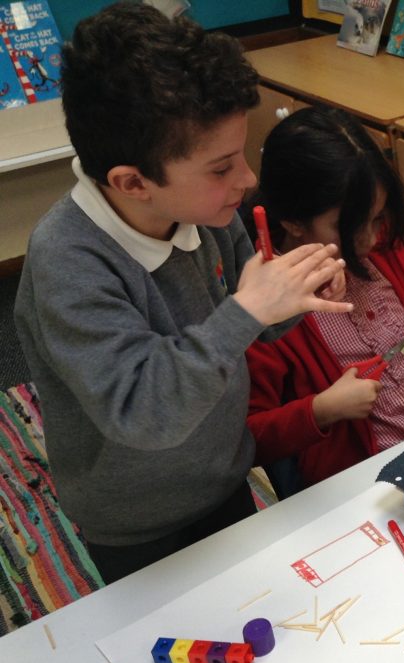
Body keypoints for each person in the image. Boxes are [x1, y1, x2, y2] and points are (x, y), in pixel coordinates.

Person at [13, 4, 350, 583]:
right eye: (221, 168)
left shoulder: (207, 213)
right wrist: (247, 308)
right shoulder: (66, 262)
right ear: (132, 182)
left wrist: (293, 293)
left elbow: (253, 325)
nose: (247, 180)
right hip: (134, 514)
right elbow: (144, 412)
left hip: (221, 474)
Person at [244, 106, 404, 492]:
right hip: (378, 470)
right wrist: (322, 409)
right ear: (292, 220)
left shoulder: (384, 251)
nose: (368, 238)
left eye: (377, 218)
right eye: (348, 226)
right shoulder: (267, 306)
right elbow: (251, 439)